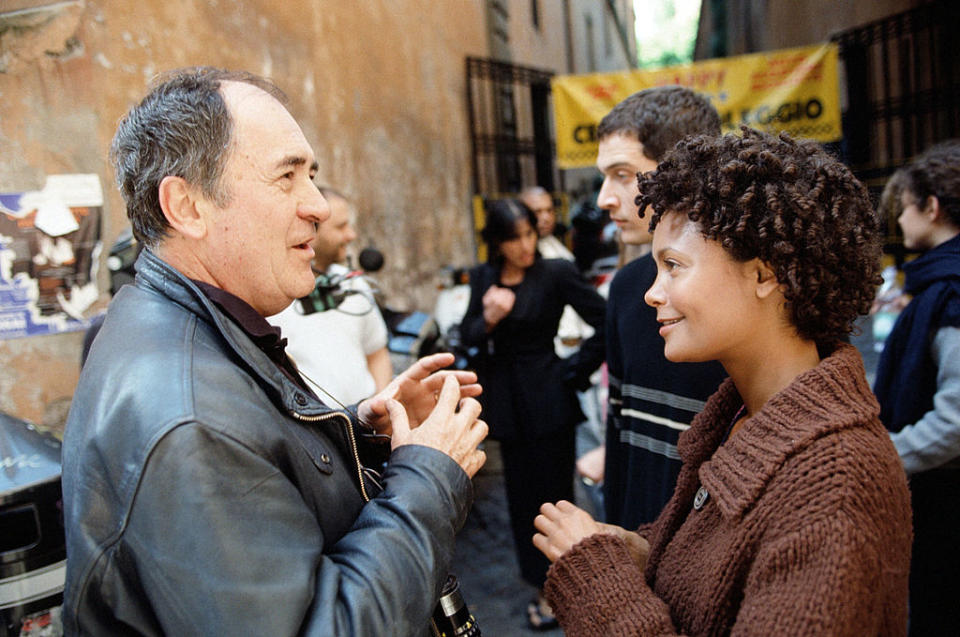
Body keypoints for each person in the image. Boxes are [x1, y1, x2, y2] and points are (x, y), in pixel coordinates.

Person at [61, 67, 488, 636]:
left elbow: (256, 471)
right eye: (286, 177)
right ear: (187, 207)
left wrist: (363, 431)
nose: (316, 205)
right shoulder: (185, 413)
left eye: (312, 175)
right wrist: (430, 476)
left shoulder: (178, 322)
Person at [533, 128, 912, 636]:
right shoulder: (740, 417)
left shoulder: (837, 484)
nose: (651, 294)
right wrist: (642, 555)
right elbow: (723, 585)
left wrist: (597, 577)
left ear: (764, 275)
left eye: (673, 266)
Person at [459, 198, 606, 630]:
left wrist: (572, 372)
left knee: (557, 499)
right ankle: (541, 588)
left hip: (549, 400)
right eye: (514, 238)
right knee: (522, 504)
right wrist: (488, 317)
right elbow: (465, 333)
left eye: (530, 234)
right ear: (498, 243)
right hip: (508, 408)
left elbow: (604, 321)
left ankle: (569, 584)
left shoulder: (555, 273)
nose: (526, 245)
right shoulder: (485, 277)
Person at [597, 86, 727, 529]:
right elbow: (619, 437)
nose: (604, 198)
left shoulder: (742, 290)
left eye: (622, 174)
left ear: (680, 170)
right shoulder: (626, 288)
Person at [873, 139, 960, 635]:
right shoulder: (935, 288)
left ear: (931, 206)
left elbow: (956, 416)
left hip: (947, 501)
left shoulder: (950, 290)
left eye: (903, 207)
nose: (899, 222)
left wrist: (886, 455)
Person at [269, 186, 391, 405]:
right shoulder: (270, 299)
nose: (351, 235)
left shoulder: (354, 282)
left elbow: (377, 354)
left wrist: (381, 408)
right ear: (310, 231)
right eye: (341, 227)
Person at [521, 185, 571, 261]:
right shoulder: (524, 254)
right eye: (537, 212)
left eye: (549, 210)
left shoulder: (550, 239)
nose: (546, 218)